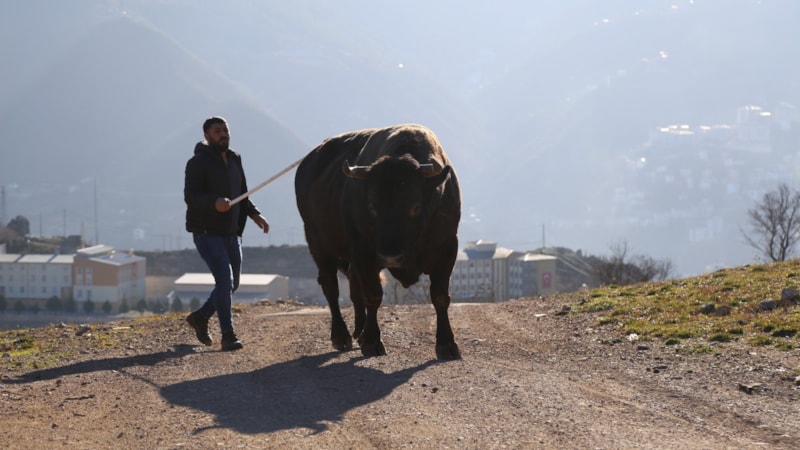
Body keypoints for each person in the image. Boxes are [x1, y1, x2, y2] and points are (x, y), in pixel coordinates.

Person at [184, 116, 269, 351]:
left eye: (225, 130)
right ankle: (228, 335)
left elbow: (242, 194)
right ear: (207, 136)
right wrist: (215, 202)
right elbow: (191, 197)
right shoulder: (197, 163)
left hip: (231, 233)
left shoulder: (234, 159)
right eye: (217, 131)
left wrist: (255, 215)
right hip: (207, 233)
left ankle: (200, 317)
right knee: (225, 280)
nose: (223, 134)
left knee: (233, 284)